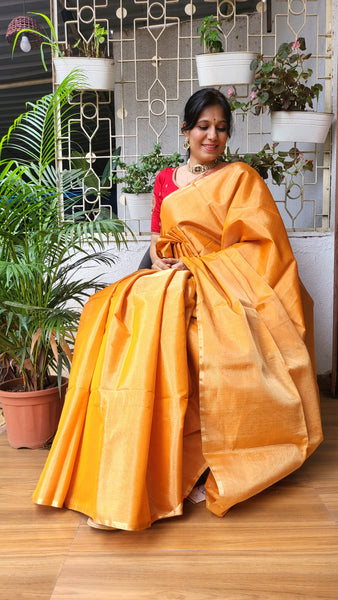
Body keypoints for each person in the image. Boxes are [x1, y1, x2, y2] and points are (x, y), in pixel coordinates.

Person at [33, 88, 323, 531]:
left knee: (189, 333)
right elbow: (157, 237)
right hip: (172, 276)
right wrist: (163, 259)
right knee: (110, 314)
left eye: (221, 128)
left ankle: (194, 468)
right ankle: (124, 470)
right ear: (185, 131)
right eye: (203, 127)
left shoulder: (240, 178)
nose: (213, 136)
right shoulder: (166, 178)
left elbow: (260, 248)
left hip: (225, 285)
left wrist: (201, 268)